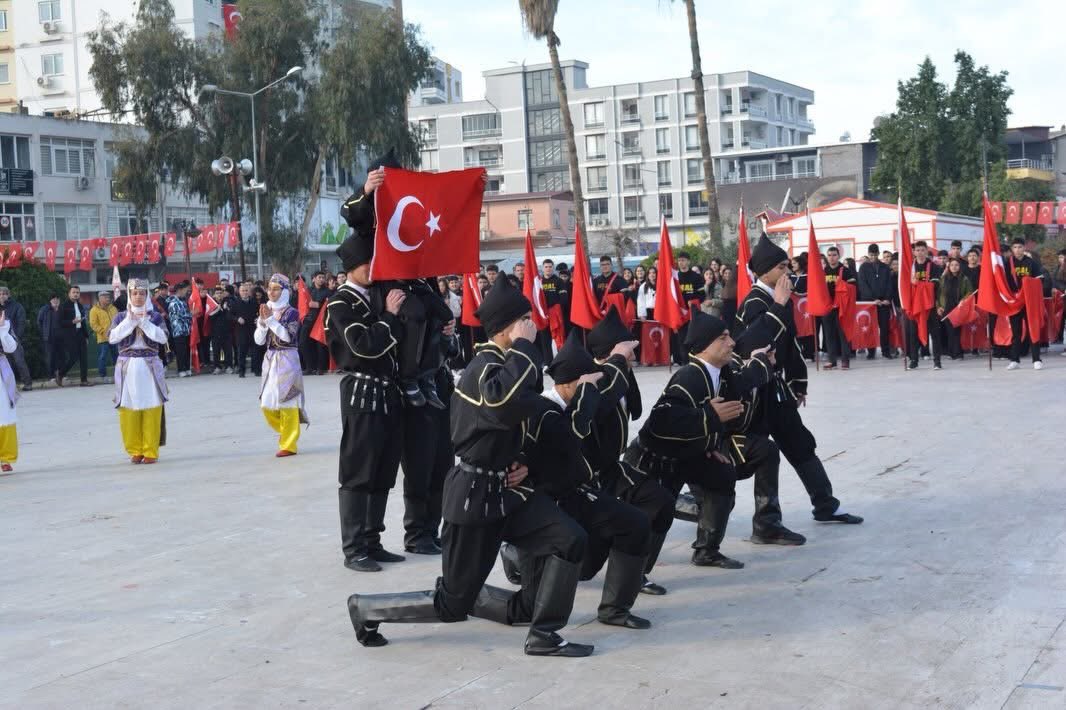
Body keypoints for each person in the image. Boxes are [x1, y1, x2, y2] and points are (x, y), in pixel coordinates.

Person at [346, 273, 595, 658]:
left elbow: (526, 415)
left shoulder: (505, 364)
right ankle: (367, 608)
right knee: (452, 604)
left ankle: (544, 633)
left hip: (509, 493)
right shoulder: (485, 367)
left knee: (569, 538)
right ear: (510, 327)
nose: (531, 326)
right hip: (474, 497)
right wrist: (526, 348)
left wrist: (526, 461)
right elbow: (501, 404)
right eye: (525, 321)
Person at [625, 310, 780, 569]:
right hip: (657, 460)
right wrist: (708, 417)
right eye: (723, 338)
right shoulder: (689, 376)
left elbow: (743, 382)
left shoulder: (721, 372)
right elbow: (661, 421)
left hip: (690, 453)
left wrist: (761, 360)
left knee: (721, 477)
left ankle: (706, 551)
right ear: (705, 346)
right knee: (657, 511)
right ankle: (635, 575)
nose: (731, 343)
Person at [525, 330, 653, 629]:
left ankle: (615, 609)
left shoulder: (580, 399)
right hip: (544, 502)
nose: (596, 389)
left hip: (578, 492)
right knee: (573, 544)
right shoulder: (543, 410)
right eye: (591, 383)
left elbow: (608, 397)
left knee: (634, 523)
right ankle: (518, 559)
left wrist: (619, 357)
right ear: (571, 384)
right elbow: (570, 437)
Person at [734, 235, 864, 526]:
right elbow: (755, 343)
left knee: (800, 444)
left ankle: (825, 505)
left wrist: (798, 382)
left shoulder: (779, 299)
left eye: (787, 266)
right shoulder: (754, 302)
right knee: (754, 455)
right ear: (765, 271)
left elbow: (789, 346)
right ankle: (762, 521)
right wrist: (778, 305)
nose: (787, 273)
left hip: (777, 390)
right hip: (756, 392)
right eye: (781, 267)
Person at [325, 237, 408, 572]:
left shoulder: (372, 297)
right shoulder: (340, 303)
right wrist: (389, 317)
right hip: (362, 391)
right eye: (366, 264)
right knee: (359, 470)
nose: (373, 269)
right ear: (350, 267)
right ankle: (354, 547)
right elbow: (362, 347)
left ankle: (372, 540)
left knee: (383, 471)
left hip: (387, 391)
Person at [585, 309, 675, 594]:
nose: (634, 353)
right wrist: (618, 362)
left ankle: (636, 572)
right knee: (586, 560)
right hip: (586, 475)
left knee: (659, 501)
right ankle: (519, 558)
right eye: (628, 348)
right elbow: (599, 407)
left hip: (614, 466)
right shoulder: (590, 379)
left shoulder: (621, 374)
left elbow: (634, 412)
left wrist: (622, 366)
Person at [108, 279, 169, 464]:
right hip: (128, 367)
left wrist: (144, 323)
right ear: (129, 295)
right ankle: (135, 449)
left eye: (142, 293)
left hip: (149, 365)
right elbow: (112, 337)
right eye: (135, 293)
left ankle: (150, 450)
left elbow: (163, 337)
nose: (138, 296)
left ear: (147, 295)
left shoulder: (155, 317)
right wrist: (130, 322)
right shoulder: (120, 317)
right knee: (129, 408)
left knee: (151, 407)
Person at [255, 274, 308, 456]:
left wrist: (270, 320)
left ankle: (289, 444)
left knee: (288, 400)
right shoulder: (265, 309)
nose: (271, 292)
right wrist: (262, 324)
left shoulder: (292, 312)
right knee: (266, 403)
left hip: (288, 359)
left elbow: (287, 337)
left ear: (284, 291)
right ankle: (285, 431)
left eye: (276, 288)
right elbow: (259, 341)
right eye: (269, 288)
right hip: (270, 359)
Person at [1004, 237, 1044, 370]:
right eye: (1014, 247)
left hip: (1028, 301)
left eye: (1020, 247)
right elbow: (1002, 281)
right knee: (1016, 332)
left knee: (1033, 329)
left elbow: (1040, 280)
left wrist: (1029, 284)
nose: (1017, 250)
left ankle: (1036, 359)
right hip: (1014, 302)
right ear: (1011, 249)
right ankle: (1014, 360)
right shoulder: (1007, 263)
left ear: (1024, 248)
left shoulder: (1032, 263)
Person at [904, 241, 943, 371]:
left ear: (926, 251)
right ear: (914, 252)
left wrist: (918, 284)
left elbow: (935, 286)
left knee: (935, 334)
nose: (920, 253)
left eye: (922, 250)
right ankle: (914, 360)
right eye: (917, 250)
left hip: (929, 305)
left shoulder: (934, 267)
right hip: (914, 306)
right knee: (913, 334)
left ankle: (937, 361)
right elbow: (904, 287)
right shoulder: (910, 267)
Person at [821, 246, 857, 370]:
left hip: (841, 308)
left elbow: (853, 286)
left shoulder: (845, 270)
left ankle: (845, 360)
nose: (832, 257)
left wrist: (842, 285)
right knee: (829, 335)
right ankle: (832, 360)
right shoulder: (823, 271)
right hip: (827, 307)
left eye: (834, 255)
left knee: (843, 334)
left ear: (839, 256)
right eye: (829, 255)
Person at [858, 244, 894, 359]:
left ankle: (885, 351)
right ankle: (871, 351)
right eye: (871, 255)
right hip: (870, 303)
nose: (873, 257)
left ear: (878, 254)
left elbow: (889, 284)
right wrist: (873, 299)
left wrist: (887, 298)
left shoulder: (885, 267)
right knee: (870, 328)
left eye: (875, 255)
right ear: (868, 254)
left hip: (883, 303)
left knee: (884, 328)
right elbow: (863, 285)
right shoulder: (863, 267)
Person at [672, 251, 706, 365]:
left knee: (694, 338)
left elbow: (702, 296)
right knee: (682, 340)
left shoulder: (697, 277)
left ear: (689, 261)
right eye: (680, 260)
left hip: (693, 314)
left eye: (684, 260)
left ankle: (696, 362)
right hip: (680, 314)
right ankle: (685, 363)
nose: (681, 262)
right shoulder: (675, 278)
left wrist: (693, 302)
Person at [937, 257, 973, 361]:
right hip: (946, 308)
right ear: (949, 266)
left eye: (956, 265)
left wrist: (963, 300)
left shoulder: (964, 278)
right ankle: (952, 352)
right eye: (952, 265)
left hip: (958, 308)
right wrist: (938, 306)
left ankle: (958, 353)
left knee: (957, 331)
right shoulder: (943, 278)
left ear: (960, 267)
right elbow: (938, 294)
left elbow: (969, 292)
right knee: (949, 331)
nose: (954, 267)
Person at [0, 310, 21, 473]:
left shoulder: (5, 325)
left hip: (2, 372)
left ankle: (5, 457)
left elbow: (11, 347)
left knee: (5, 413)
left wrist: (1, 329)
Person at [58, 286, 92, 387]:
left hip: (80, 334)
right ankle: (60, 373)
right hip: (70, 335)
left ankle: (84, 380)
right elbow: (60, 322)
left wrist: (86, 336)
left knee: (84, 357)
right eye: (74, 292)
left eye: (77, 292)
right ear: (69, 294)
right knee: (73, 357)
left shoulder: (80, 306)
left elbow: (84, 322)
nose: (76, 294)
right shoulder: (64, 305)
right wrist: (72, 321)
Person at [0, 286, 33, 391]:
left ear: (9, 295)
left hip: (13, 341)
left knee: (19, 362)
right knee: (5, 365)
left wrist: (16, 337)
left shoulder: (17, 306)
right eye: (0, 293)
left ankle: (28, 384)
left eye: (4, 293)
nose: (2, 295)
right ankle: (8, 387)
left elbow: (21, 322)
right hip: (1, 341)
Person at [301, 271, 332, 376]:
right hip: (308, 320)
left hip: (320, 322)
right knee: (303, 343)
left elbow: (323, 304)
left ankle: (321, 368)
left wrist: (317, 304)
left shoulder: (327, 291)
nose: (321, 279)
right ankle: (309, 367)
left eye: (323, 277)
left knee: (320, 345)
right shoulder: (308, 291)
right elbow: (303, 303)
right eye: (319, 277)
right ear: (313, 279)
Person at [89, 291, 119, 383]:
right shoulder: (94, 310)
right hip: (103, 338)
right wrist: (103, 331)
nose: (108, 299)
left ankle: (119, 374)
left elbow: (118, 320)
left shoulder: (113, 308)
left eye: (108, 297)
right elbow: (93, 324)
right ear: (100, 298)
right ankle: (103, 376)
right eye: (105, 297)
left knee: (117, 356)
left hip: (114, 337)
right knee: (103, 356)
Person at [166, 282, 194, 377]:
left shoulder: (183, 301)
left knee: (186, 350)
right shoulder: (174, 302)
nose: (187, 291)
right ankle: (181, 369)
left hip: (186, 330)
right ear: (180, 290)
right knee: (180, 351)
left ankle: (187, 368)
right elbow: (180, 315)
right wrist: (191, 314)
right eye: (185, 289)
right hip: (178, 330)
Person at [231, 283, 257, 378]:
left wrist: (258, 318)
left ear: (249, 292)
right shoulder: (235, 303)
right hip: (241, 331)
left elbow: (259, 313)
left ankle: (256, 369)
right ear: (239, 292)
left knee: (255, 351)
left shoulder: (254, 302)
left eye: (246, 290)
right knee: (242, 352)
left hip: (253, 330)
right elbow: (229, 315)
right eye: (243, 291)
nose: (245, 292)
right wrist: (237, 319)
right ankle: (242, 371)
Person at [37, 294, 63, 381]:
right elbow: (39, 322)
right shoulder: (45, 309)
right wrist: (44, 333)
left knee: (61, 356)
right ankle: (51, 376)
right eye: (53, 299)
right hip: (49, 337)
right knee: (50, 357)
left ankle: (61, 374)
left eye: (57, 299)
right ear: (50, 300)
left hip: (60, 338)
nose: (55, 300)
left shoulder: (62, 309)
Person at [209, 285, 234, 374]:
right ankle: (217, 367)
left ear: (224, 294)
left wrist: (226, 308)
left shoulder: (228, 301)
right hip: (215, 331)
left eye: (221, 293)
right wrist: (218, 309)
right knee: (216, 350)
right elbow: (209, 317)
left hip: (227, 331)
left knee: (228, 350)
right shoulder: (211, 303)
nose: (219, 295)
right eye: (217, 293)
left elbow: (231, 315)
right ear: (214, 294)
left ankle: (229, 366)